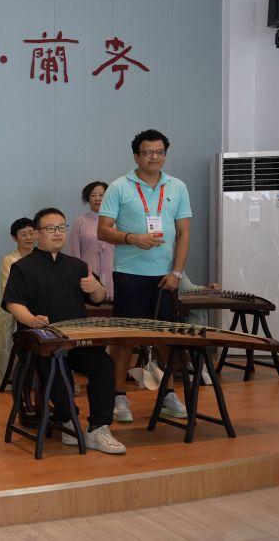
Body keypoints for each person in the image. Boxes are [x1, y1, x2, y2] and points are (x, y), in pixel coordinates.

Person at [2, 207, 126, 454]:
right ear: (37, 233)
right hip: (41, 342)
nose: (58, 233)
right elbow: (13, 303)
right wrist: (31, 320)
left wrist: (95, 288)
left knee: (103, 364)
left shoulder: (77, 266)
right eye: (51, 228)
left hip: (76, 340)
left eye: (61, 227)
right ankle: (69, 420)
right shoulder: (23, 267)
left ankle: (99, 427)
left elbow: (99, 297)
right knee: (55, 363)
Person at [97, 129, 192, 423]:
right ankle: (118, 396)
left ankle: (167, 394)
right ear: (136, 156)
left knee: (166, 338)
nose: (154, 157)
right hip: (130, 275)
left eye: (160, 152)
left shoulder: (177, 187)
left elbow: (184, 232)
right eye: (148, 152)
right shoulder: (119, 187)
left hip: (165, 277)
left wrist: (176, 272)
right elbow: (103, 230)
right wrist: (132, 238)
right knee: (125, 339)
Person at [0, 217, 36, 386]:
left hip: (36, 307)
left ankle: (36, 379)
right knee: (7, 341)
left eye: (31, 233)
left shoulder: (42, 256)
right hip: (12, 306)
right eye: (24, 234)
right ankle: (10, 380)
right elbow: (8, 287)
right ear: (14, 237)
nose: (29, 238)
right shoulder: (9, 260)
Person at [68, 181, 114, 300]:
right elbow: (74, 252)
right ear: (88, 198)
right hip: (88, 274)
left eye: (101, 195)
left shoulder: (116, 221)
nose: (97, 198)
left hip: (113, 273)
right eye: (93, 195)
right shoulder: (80, 221)